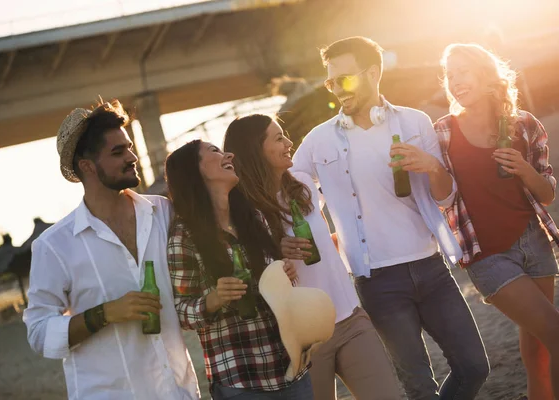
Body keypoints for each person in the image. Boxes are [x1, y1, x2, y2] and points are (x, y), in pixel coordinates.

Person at [291, 36, 490, 399]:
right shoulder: (318, 141)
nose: (337, 89)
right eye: (331, 82)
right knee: (417, 385)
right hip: (377, 281)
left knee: (475, 366)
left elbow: (445, 195)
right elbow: (289, 199)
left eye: (345, 79)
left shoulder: (415, 121)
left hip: (431, 268)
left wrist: (431, 166)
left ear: (373, 73)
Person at [23, 100, 199, 400]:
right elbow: (39, 333)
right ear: (87, 166)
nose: (133, 157)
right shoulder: (54, 246)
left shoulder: (163, 212)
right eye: (118, 152)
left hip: (179, 391)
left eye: (129, 147)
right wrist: (104, 314)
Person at [223, 114, 400, 400]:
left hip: (350, 318)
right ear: (255, 149)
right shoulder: (242, 212)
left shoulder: (303, 184)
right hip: (302, 339)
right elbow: (240, 265)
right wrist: (273, 250)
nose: (289, 143)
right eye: (278, 138)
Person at [434, 43, 559, 400]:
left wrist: (522, 168)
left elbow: (547, 192)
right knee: (555, 331)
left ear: (488, 79)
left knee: (538, 347)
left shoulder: (523, 125)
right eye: (450, 74)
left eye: (463, 71)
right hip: (487, 254)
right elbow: (439, 194)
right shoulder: (442, 132)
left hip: (533, 242)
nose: (455, 80)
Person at [165, 140, 312, 400]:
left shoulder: (253, 217)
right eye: (214, 152)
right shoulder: (184, 235)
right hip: (240, 379)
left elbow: (278, 288)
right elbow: (181, 313)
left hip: (290, 366)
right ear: (194, 171)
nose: (228, 154)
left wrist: (284, 273)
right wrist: (214, 299)